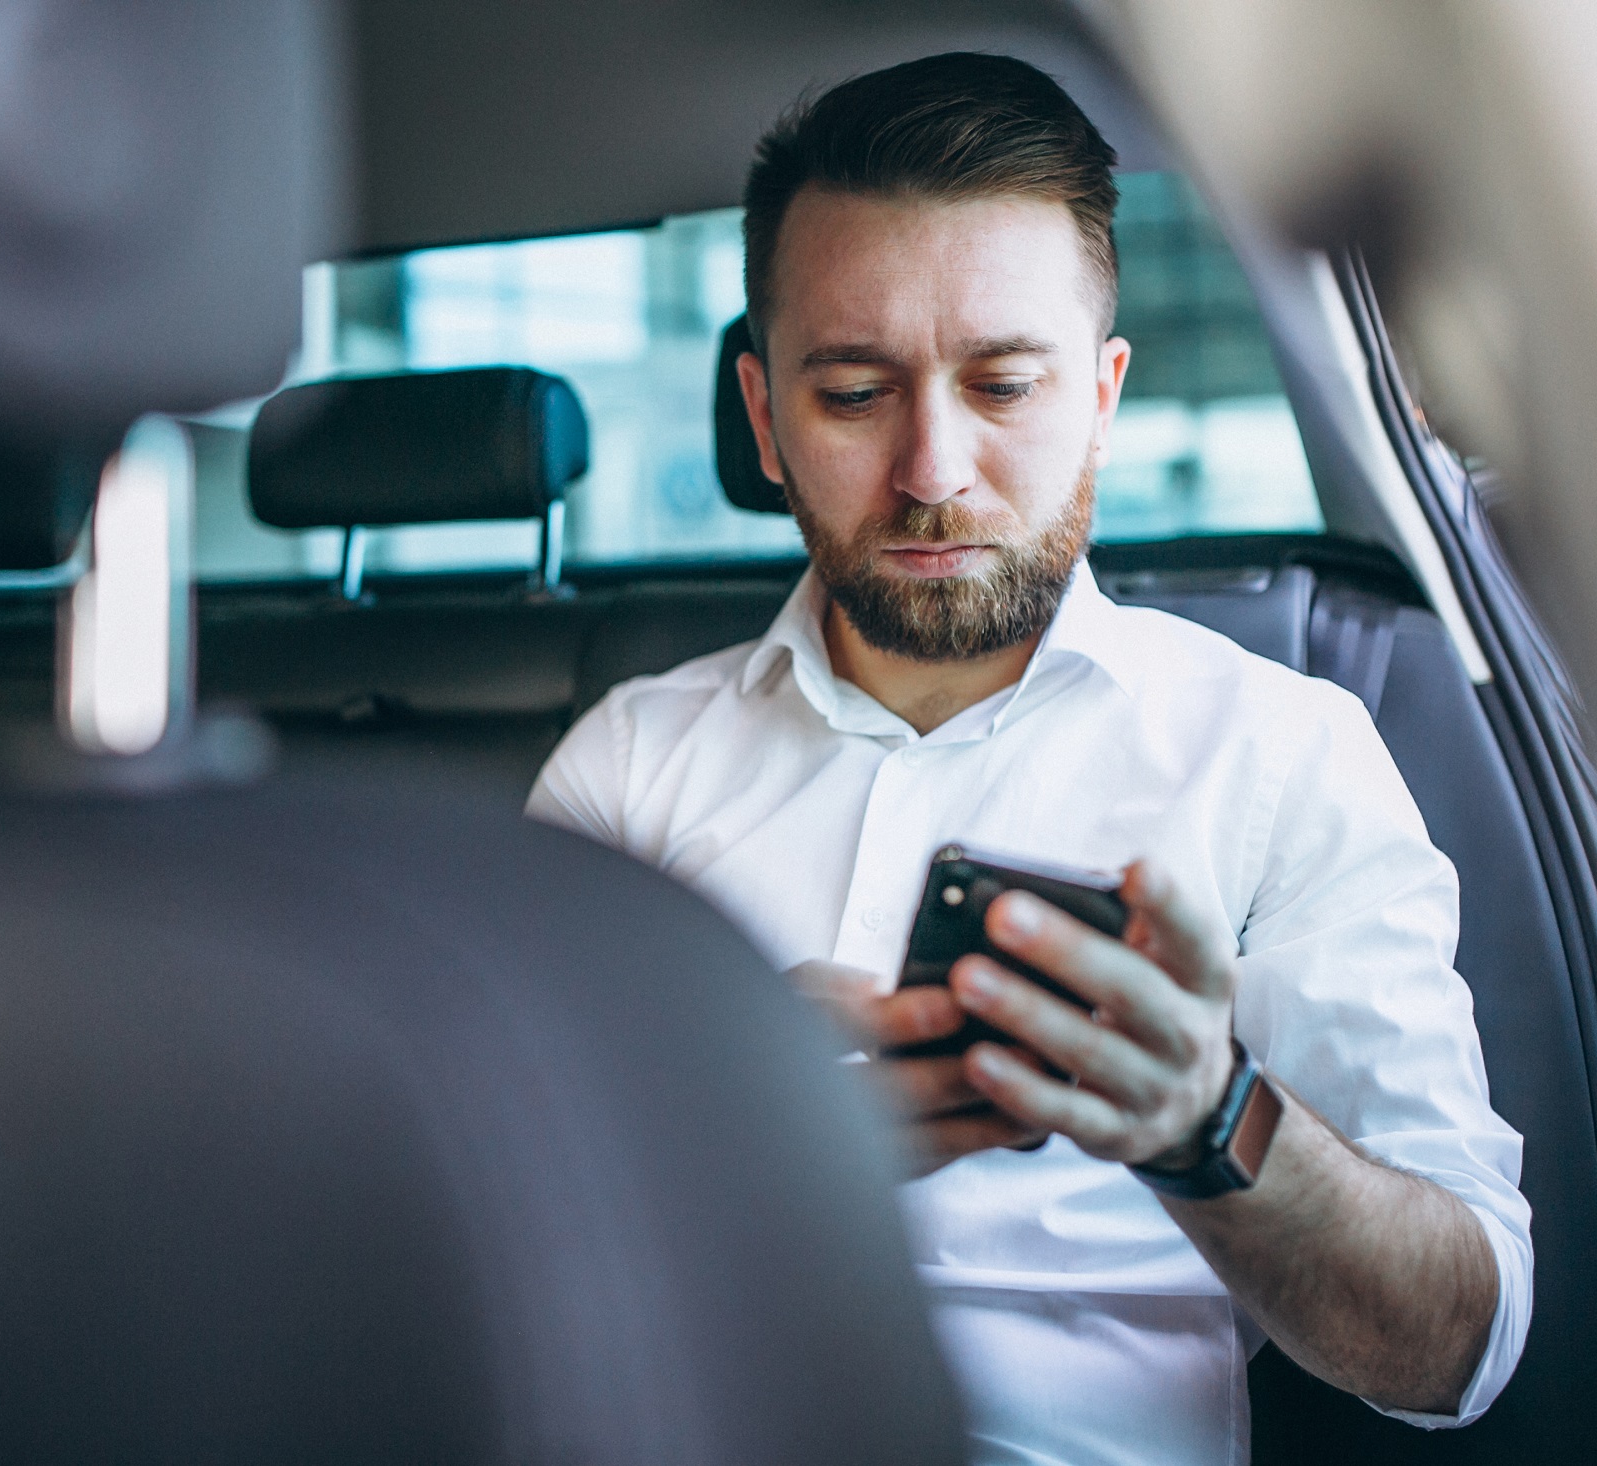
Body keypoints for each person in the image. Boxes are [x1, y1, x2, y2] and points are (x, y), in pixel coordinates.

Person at [528, 51, 1529, 1466]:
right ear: (763, 416)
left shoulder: (1279, 750)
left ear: (1104, 394)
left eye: (1002, 382)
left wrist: (1211, 1117)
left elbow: (1453, 1346)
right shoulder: (626, 768)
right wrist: (736, 1134)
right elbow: (471, 1240)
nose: (933, 469)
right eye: (855, 392)